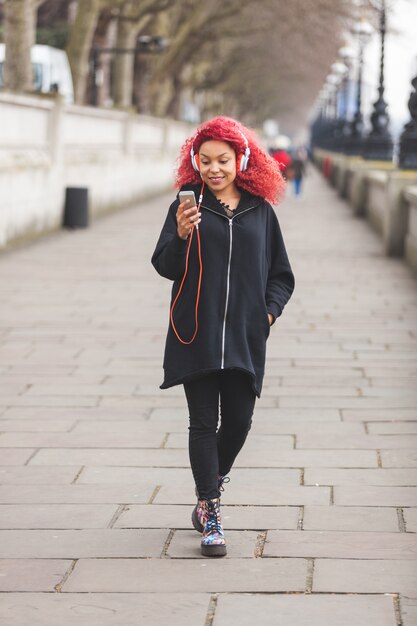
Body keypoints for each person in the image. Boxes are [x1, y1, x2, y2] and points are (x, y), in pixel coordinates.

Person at [151, 116, 294, 557]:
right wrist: (180, 233)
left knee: (238, 421)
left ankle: (211, 483)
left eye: (224, 160)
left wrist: (267, 314)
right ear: (195, 162)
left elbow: (281, 275)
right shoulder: (187, 205)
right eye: (206, 160)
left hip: (245, 338)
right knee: (201, 423)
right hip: (195, 331)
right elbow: (164, 266)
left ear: (241, 160)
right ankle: (210, 510)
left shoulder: (260, 211)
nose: (214, 169)